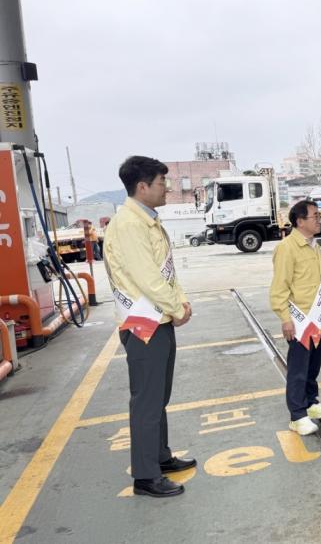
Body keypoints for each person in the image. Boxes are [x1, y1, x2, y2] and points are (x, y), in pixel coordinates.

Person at [104, 156, 195, 497]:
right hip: (144, 323)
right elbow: (147, 278)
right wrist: (176, 307)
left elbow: (166, 271)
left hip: (159, 319)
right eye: (161, 183)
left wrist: (179, 302)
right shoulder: (129, 225)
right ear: (142, 187)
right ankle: (145, 476)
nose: (166, 189)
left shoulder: (147, 221)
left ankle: (160, 457)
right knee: (146, 400)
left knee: (158, 395)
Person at [270, 200, 321, 436]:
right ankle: (297, 415)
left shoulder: (315, 247)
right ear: (300, 221)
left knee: (313, 365)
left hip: (318, 316)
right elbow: (279, 288)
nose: (319, 220)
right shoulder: (287, 248)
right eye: (315, 216)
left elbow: (319, 283)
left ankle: (311, 402)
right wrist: (285, 318)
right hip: (300, 319)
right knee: (298, 369)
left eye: (319, 216)